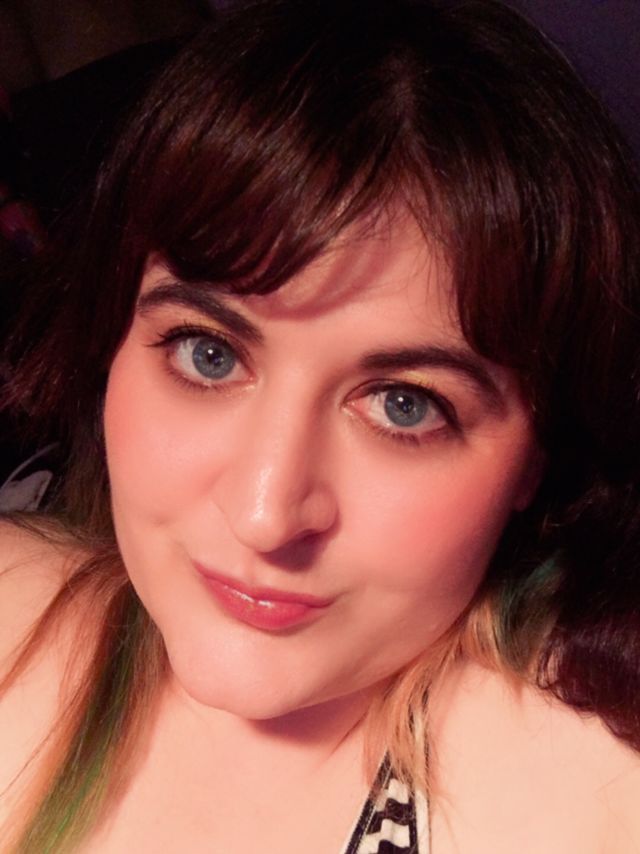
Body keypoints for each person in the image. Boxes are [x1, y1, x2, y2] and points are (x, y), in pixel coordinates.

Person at [1, 0, 640, 850]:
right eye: (208, 355)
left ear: (537, 456)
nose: (265, 514)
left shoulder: (588, 797)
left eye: (404, 405)